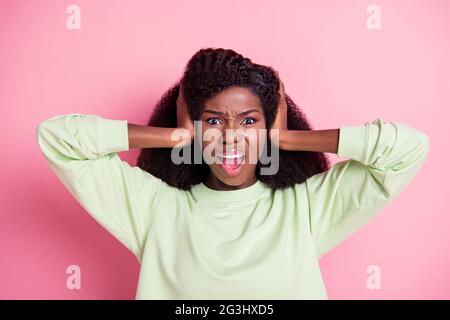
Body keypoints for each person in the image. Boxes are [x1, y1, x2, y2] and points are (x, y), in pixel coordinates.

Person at [36, 48, 429, 299]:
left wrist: (286, 138)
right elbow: (57, 138)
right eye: (213, 120)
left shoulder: (307, 207)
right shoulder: (153, 207)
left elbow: (407, 149)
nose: (230, 136)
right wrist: (175, 135)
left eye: (248, 121)